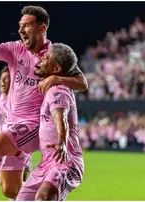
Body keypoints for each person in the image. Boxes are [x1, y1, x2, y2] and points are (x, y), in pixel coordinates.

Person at [0, 5, 88, 200]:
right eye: (20, 25)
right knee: (10, 190)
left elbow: (82, 83)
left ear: (42, 28)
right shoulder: (15, 49)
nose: (21, 30)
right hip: (14, 125)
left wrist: (56, 79)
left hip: (33, 125)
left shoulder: (53, 56)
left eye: (27, 25)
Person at [16, 43, 84, 201]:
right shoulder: (52, 87)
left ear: (56, 69)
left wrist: (61, 141)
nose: (40, 58)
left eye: (46, 58)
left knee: (44, 197)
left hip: (65, 162)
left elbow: (61, 117)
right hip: (46, 163)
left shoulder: (57, 90)